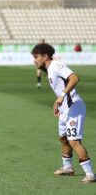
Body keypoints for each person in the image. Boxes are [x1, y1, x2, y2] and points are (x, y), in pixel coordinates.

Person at [31, 43, 96, 184]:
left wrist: (61, 95)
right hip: (65, 110)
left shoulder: (56, 66)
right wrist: (59, 103)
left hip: (74, 107)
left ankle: (90, 174)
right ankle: (68, 168)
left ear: (45, 56)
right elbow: (62, 88)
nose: (34, 60)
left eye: (36, 57)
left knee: (74, 142)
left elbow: (74, 78)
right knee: (63, 138)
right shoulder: (49, 70)